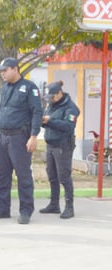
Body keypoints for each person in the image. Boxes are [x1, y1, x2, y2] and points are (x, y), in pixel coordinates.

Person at [0, 57, 43, 224]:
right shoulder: (5, 88)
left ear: (15, 69)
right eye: (1, 71)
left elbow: (37, 112)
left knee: (23, 175)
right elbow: (1, 111)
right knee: (2, 174)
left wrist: (33, 136)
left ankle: (26, 210)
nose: (2, 74)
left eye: (5, 70)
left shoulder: (29, 88)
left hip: (19, 137)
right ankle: (2, 208)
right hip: (3, 137)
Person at [40, 81, 80, 219]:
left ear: (59, 93)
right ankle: (54, 204)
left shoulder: (71, 108)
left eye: (52, 96)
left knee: (64, 176)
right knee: (52, 176)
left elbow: (68, 126)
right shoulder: (51, 105)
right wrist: (43, 121)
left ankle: (69, 207)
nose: (50, 99)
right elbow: (48, 122)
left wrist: (49, 121)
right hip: (50, 144)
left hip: (63, 145)